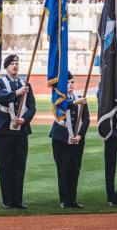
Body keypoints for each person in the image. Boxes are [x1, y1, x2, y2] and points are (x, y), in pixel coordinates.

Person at [0, 54, 36, 209]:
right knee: (5, 164)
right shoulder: (0, 83)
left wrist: (24, 119)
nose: (15, 66)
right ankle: (7, 201)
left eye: (17, 63)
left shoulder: (25, 83)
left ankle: (18, 200)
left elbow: (32, 106)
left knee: (19, 165)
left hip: (21, 129)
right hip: (4, 129)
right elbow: (1, 98)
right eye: (12, 63)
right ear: (6, 66)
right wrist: (17, 93)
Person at [49, 71, 90, 209]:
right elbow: (63, 106)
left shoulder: (80, 98)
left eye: (72, 82)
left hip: (77, 139)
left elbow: (86, 119)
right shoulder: (57, 98)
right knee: (63, 169)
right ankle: (64, 200)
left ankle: (73, 199)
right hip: (60, 138)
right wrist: (75, 102)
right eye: (67, 83)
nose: (70, 85)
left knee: (74, 169)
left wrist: (79, 135)